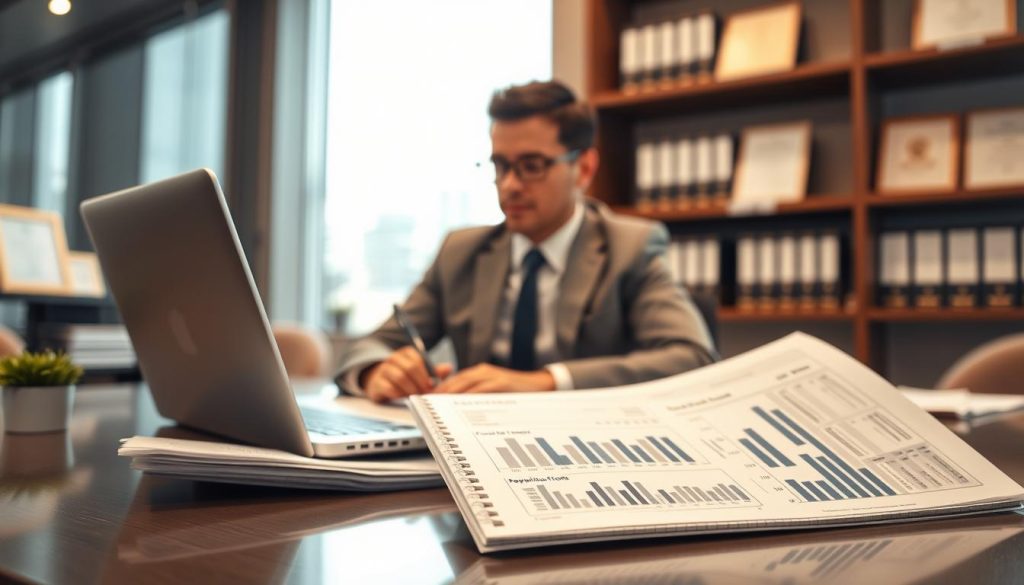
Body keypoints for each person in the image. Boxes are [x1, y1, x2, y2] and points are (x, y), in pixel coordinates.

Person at [335, 80, 714, 402]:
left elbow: (692, 356)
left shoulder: (630, 247)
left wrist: (546, 382)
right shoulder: (461, 253)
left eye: (532, 166)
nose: (510, 185)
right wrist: (377, 371)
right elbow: (368, 347)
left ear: (583, 168)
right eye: (500, 166)